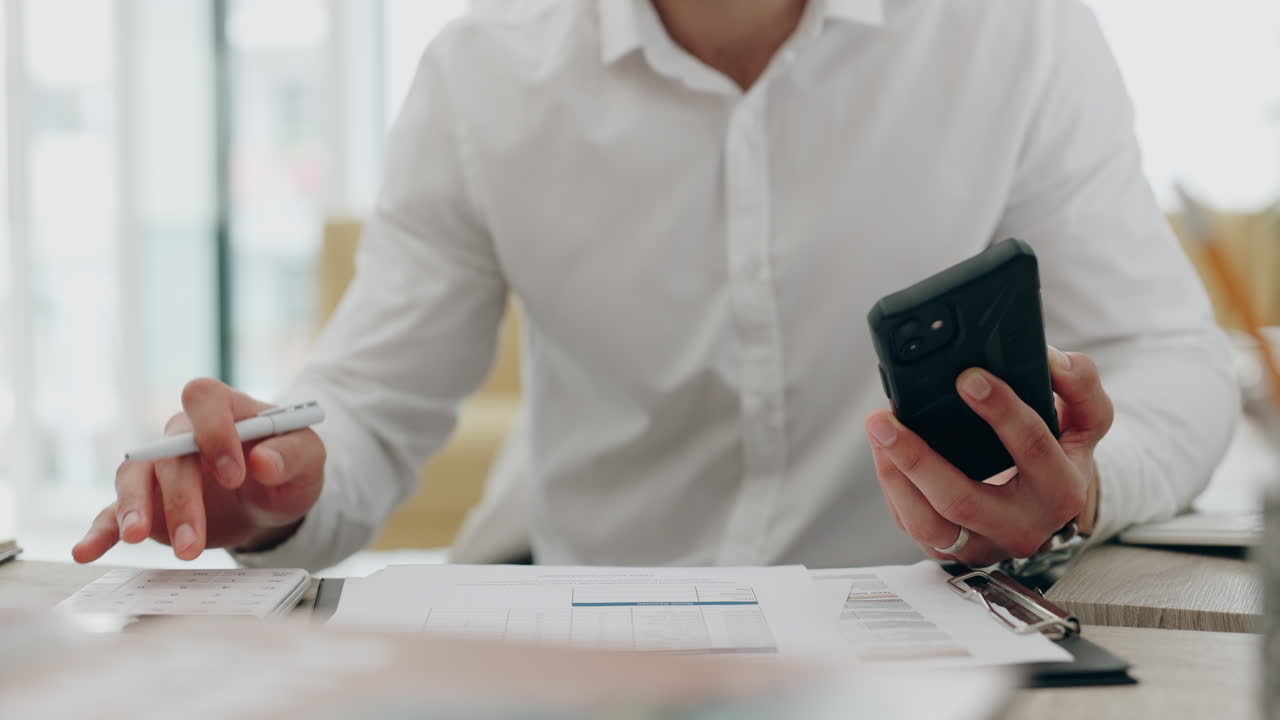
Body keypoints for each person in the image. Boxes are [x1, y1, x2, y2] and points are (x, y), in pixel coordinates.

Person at [74, 0, 1237, 571]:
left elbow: (1169, 360)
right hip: (578, 650)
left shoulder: (1010, 32)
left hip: (926, 640)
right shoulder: (483, 72)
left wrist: (1084, 484)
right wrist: (270, 489)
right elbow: (369, 413)